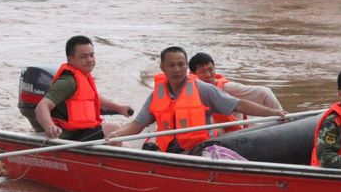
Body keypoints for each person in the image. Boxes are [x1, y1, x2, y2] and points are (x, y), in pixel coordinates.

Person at [106, 46, 286, 153]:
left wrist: (273, 113)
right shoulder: (156, 95)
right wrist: (116, 135)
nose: (177, 70)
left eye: (181, 65)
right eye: (171, 65)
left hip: (198, 151)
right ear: (163, 68)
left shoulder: (203, 90)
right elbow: (137, 125)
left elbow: (238, 104)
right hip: (168, 153)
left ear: (186, 66)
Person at [35, 35, 133, 141]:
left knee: (125, 143)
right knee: (114, 128)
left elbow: (95, 98)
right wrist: (49, 126)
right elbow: (41, 106)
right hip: (68, 136)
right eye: (84, 56)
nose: (89, 60)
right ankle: (107, 157)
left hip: (82, 131)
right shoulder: (67, 82)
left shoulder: (83, 76)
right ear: (70, 59)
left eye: (91, 55)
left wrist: (119, 108)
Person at [188, 52, 282, 132]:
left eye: (211, 70)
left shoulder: (227, 88)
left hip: (234, 133)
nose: (208, 75)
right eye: (203, 71)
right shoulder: (185, 91)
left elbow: (264, 93)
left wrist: (279, 114)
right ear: (193, 74)